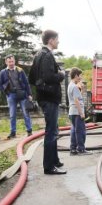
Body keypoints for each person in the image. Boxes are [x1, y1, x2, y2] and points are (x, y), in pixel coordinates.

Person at [29, 30, 66, 175]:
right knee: (51, 132)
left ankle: (54, 160)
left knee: (54, 130)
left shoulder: (38, 55)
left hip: (45, 97)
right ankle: (49, 166)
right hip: (49, 98)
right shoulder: (47, 56)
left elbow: (31, 78)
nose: (58, 42)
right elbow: (49, 76)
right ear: (51, 40)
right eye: (57, 39)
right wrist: (61, 75)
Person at [0, 55, 33, 140]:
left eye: (12, 61)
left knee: (25, 113)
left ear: (14, 61)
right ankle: (13, 132)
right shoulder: (3, 72)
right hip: (11, 95)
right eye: (9, 62)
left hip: (22, 94)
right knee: (12, 114)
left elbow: (26, 83)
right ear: (6, 62)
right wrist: (6, 92)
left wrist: (29, 94)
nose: (11, 63)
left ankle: (29, 131)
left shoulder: (20, 70)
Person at [67, 69, 90, 155]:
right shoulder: (74, 87)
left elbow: (76, 96)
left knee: (74, 131)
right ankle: (81, 149)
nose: (81, 77)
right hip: (77, 112)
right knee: (80, 131)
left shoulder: (71, 85)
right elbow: (76, 101)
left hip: (72, 112)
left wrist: (82, 89)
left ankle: (73, 149)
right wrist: (81, 113)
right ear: (76, 75)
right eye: (80, 75)